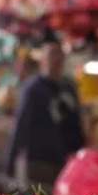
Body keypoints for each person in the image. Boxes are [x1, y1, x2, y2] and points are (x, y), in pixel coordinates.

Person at [6, 35, 86, 185]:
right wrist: (10, 164)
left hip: (64, 161)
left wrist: (81, 154)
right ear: (42, 60)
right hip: (37, 161)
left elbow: (75, 122)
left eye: (58, 55)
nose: (55, 60)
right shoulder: (33, 89)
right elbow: (20, 125)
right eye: (51, 55)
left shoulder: (68, 88)